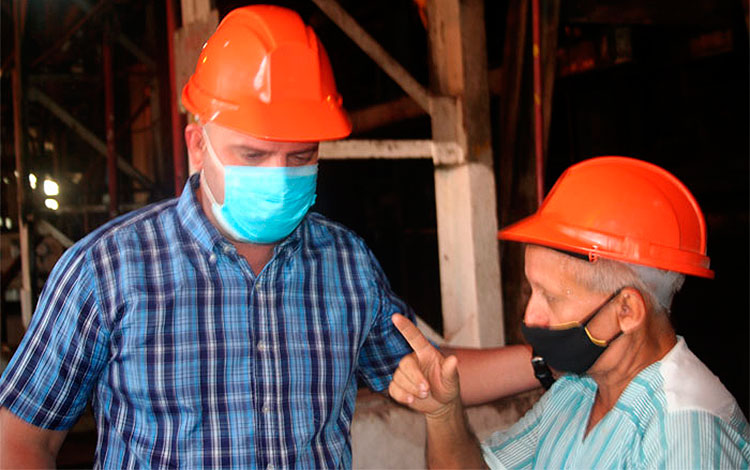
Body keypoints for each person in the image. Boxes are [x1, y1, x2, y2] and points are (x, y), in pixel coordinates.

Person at [2, 5, 409, 468]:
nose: (278, 177)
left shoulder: (346, 262)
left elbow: (426, 369)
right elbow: (19, 440)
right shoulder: (105, 270)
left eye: (300, 157)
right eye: (253, 154)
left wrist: (515, 355)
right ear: (198, 146)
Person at [389, 156, 750, 469]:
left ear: (627, 310)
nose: (531, 316)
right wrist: (442, 414)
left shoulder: (684, 434)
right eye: (533, 290)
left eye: (552, 297)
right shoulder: (578, 389)